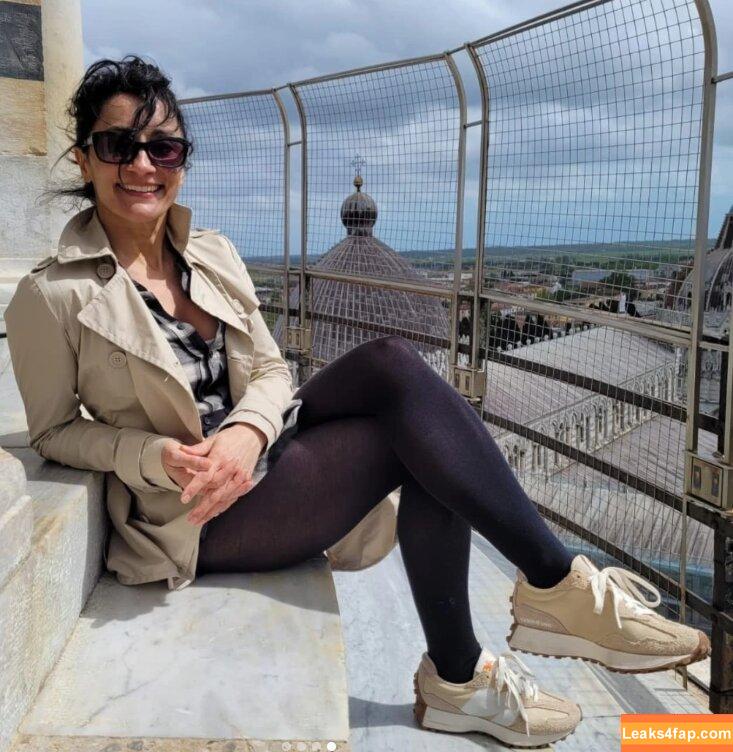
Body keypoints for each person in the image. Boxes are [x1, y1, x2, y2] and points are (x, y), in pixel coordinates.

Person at [5, 56, 710, 749]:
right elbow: (55, 432)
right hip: (193, 508)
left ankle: (536, 608)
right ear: (84, 159)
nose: (142, 165)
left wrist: (249, 430)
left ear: (181, 161)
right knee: (417, 439)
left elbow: (271, 369)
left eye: (163, 147)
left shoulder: (212, 253)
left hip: (262, 452)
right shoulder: (51, 294)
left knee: (392, 368)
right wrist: (154, 454)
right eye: (117, 146)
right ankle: (494, 646)